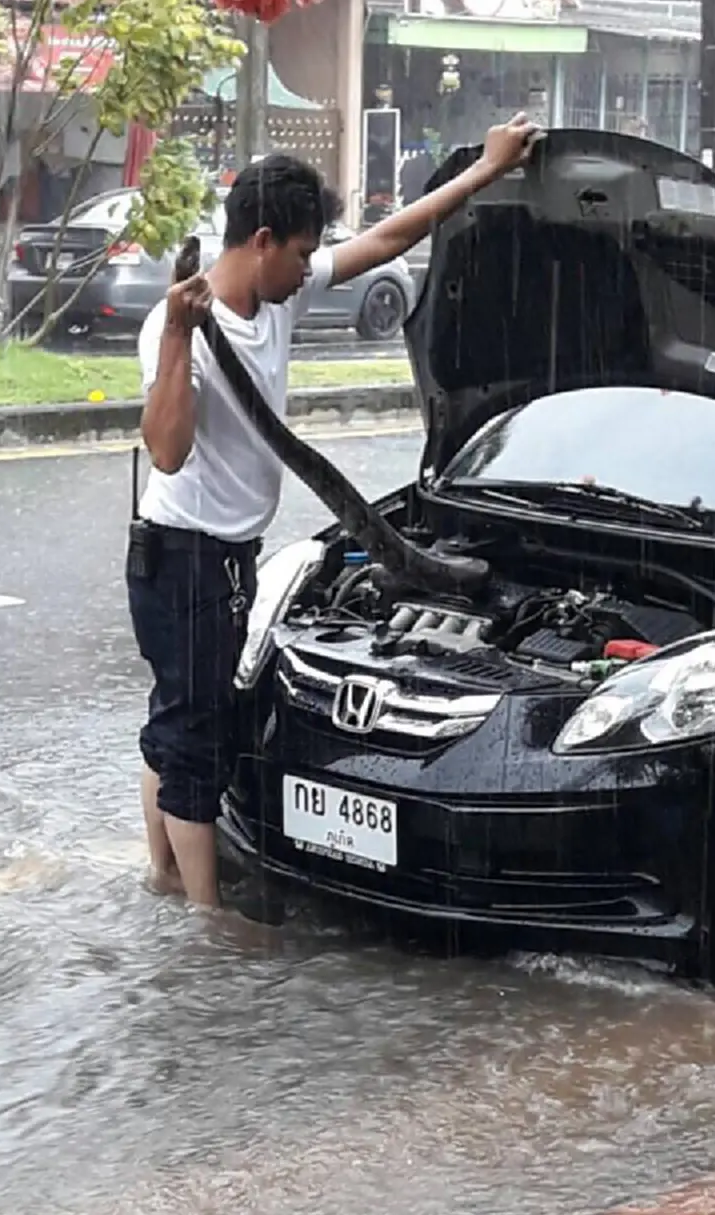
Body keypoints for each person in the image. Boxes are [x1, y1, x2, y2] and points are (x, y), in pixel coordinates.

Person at [130, 114, 540, 907]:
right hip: (181, 556)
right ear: (262, 239)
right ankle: (206, 923)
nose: (311, 266)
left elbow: (386, 241)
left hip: (223, 555)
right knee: (195, 733)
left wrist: (484, 172)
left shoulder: (277, 299)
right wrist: (180, 337)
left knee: (178, 717)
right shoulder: (176, 326)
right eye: (303, 250)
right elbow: (168, 448)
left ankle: (164, 878)